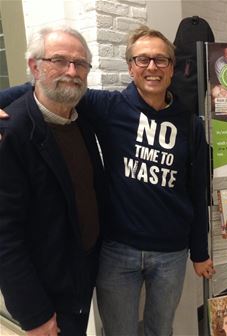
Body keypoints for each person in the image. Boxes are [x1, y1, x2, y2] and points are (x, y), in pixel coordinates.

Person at [0, 25, 215, 336]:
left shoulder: (190, 124)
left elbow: (196, 190)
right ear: (130, 67)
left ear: (172, 68)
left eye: (161, 60)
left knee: (161, 329)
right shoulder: (109, 108)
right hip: (117, 251)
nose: (151, 67)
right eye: (142, 59)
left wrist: (199, 250)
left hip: (171, 252)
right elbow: (51, 84)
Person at [0, 26, 106, 335]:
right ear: (35, 66)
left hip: (80, 275)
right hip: (46, 290)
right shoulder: (11, 134)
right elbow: (4, 235)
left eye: (80, 63)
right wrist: (34, 313)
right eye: (59, 60)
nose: (72, 71)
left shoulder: (80, 117)